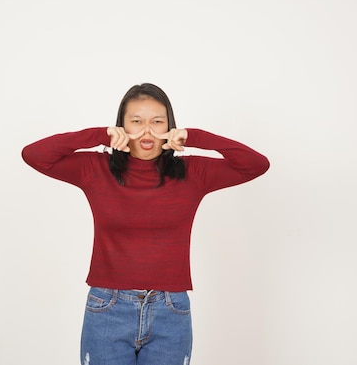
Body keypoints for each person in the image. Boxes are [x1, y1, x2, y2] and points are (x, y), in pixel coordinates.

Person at [21, 83, 269, 365]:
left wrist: (195, 137)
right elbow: (34, 155)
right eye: (136, 122)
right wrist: (98, 135)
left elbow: (255, 164)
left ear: (171, 127)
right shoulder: (95, 169)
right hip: (107, 309)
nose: (147, 131)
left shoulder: (193, 173)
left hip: (170, 311)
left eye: (157, 122)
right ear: (121, 128)